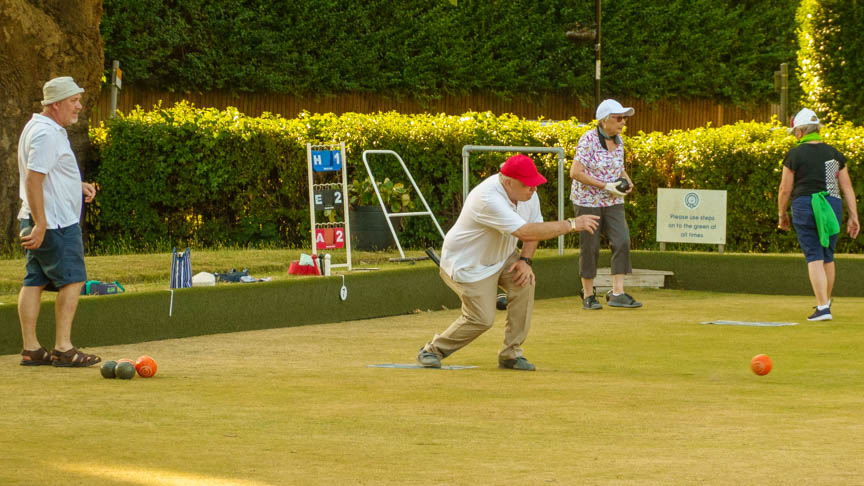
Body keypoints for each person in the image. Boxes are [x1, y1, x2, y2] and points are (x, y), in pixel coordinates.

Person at [417, 155, 600, 371]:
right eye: (527, 185)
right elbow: (525, 231)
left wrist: (525, 260)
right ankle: (432, 350)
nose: (533, 189)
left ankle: (510, 354)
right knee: (481, 319)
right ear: (508, 183)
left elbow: (535, 227)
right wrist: (572, 224)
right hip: (467, 264)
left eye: (534, 183)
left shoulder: (529, 194)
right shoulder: (487, 198)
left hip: (502, 256)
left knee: (525, 282)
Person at [17, 76, 102, 367]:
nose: (79, 106)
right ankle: (64, 348)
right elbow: (33, 180)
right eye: (73, 101)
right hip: (55, 224)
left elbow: (49, 174)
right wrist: (41, 225)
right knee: (73, 279)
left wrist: (76, 185)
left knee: (35, 280)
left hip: (39, 218)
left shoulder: (39, 127)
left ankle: (31, 349)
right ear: (55, 104)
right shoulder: (47, 134)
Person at [778, 108, 859, 321]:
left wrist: (781, 214)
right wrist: (854, 216)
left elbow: (785, 189)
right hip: (832, 205)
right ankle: (825, 302)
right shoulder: (834, 154)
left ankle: (823, 308)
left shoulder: (795, 154)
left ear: (800, 132)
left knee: (814, 255)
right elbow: (847, 187)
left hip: (805, 204)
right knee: (827, 256)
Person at [569, 99, 641, 310]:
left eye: (624, 118)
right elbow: (575, 172)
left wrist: (626, 179)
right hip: (587, 201)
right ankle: (588, 295)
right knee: (590, 246)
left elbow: (618, 167)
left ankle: (617, 293)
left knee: (622, 241)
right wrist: (605, 185)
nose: (623, 122)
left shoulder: (619, 140)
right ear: (604, 120)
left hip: (613, 201)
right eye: (618, 118)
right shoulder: (588, 140)